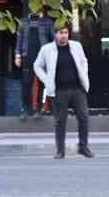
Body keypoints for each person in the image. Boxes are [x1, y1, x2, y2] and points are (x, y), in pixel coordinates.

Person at [33, 24, 93, 159]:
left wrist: (84, 75)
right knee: (60, 121)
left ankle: (83, 146)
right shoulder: (47, 49)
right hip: (59, 91)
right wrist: (46, 79)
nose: (64, 35)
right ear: (55, 34)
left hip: (77, 89)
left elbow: (84, 61)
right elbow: (37, 66)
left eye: (65, 32)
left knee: (84, 117)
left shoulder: (76, 46)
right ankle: (60, 150)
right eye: (60, 33)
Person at [13, 6, 56, 119]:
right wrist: (17, 55)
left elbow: (53, 40)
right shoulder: (24, 21)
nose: (35, 8)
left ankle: (39, 109)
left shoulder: (47, 22)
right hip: (28, 56)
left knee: (42, 84)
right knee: (26, 84)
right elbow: (19, 39)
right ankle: (26, 110)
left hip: (43, 57)